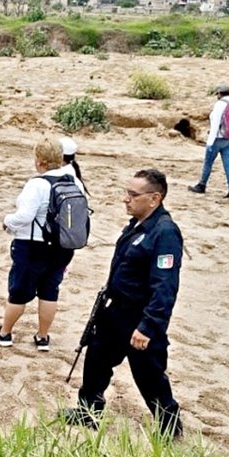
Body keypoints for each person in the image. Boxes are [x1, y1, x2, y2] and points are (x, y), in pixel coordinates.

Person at [63, 169, 184, 438]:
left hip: (139, 317)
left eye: (132, 194)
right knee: (96, 359)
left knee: (149, 375)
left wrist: (149, 326)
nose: (125, 199)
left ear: (154, 198)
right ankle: (88, 412)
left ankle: (170, 427)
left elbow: (165, 287)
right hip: (115, 310)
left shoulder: (164, 233)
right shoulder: (137, 224)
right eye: (126, 193)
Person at [0, 138, 86, 351]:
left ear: (39, 162)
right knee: (50, 290)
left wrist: (7, 221)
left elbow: (24, 216)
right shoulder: (75, 181)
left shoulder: (37, 184)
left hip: (33, 246)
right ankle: (42, 337)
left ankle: (4, 333)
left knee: (19, 291)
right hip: (62, 246)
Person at [188, 83, 229, 203]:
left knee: (208, 163)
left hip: (218, 138)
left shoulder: (220, 104)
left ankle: (202, 185)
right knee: (228, 164)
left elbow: (215, 125)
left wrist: (210, 143)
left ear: (219, 93)